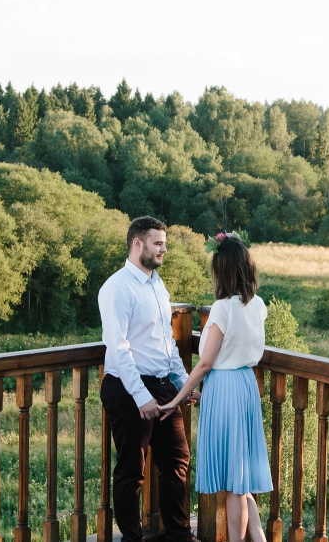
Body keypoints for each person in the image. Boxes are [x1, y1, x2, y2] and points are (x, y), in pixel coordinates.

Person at [158, 231, 272, 542]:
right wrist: (205, 394)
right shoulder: (258, 304)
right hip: (244, 386)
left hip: (225, 386)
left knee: (234, 485)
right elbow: (236, 354)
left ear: (222, 270)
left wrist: (177, 399)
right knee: (242, 478)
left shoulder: (223, 308)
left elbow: (206, 363)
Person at [99, 216, 198, 542]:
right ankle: (132, 539)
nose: (164, 249)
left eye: (164, 243)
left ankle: (179, 536)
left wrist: (184, 384)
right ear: (137, 243)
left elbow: (167, 342)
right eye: (158, 243)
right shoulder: (116, 287)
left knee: (178, 463)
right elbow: (119, 348)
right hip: (128, 390)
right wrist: (141, 395)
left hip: (163, 387)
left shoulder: (157, 284)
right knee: (131, 472)